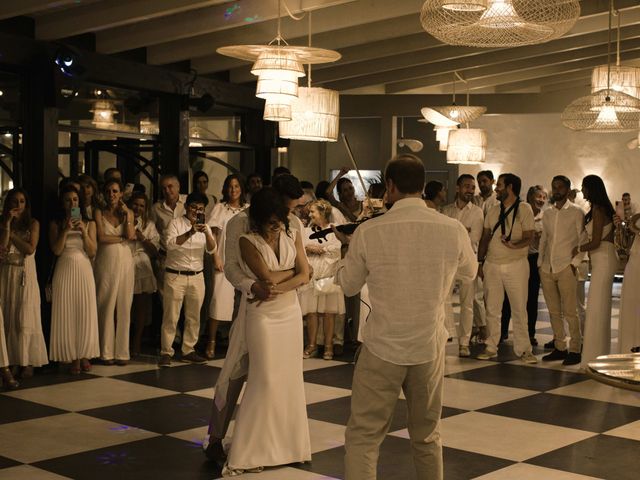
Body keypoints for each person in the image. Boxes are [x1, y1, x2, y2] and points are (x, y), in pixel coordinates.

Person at [336, 154, 476, 480]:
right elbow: (469, 274)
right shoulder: (451, 228)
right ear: (424, 187)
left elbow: (348, 284)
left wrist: (346, 256)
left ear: (390, 186)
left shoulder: (370, 230)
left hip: (382, 345)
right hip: (428, 345)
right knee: (427, 436)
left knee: (364, 436)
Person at [204, 174, 306, 465]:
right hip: (253, 307)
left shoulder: (292, 223)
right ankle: (215, 436)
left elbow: (303, 270)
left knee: (281, 377)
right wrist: (255, 286)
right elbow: (233, 270)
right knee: (234, 372)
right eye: (288, 206)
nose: (290, 214)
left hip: (284, 306)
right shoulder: (239, 223)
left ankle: (282, 441)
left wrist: (281, 282)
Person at [477, 173, 537, 364]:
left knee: (519, 308)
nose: (496, 189)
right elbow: (485, 237)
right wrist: (480, 262)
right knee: (492, 309)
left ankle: (524, 350)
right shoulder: (493, 209)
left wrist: (514, 246)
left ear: (510, 187)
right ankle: (491, 346)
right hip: (492, 264)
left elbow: (530, 236)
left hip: (516, 265)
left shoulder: (524, 208)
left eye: (500, 186)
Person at [158, 192, 216, 367]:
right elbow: (170, 245)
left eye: (200, 209)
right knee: (171, 317)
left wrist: (206, 233)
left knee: (194, 317)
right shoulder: (175, 223)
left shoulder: (206, 227)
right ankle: (166, 352)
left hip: (197, 276)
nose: (196, 211)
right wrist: (191, 232)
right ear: (186, 207)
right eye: (193, 207)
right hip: (175, 275)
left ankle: (188, 350)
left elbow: (212, 250)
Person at [49, 185, 100, 374]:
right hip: (64, 270)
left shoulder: (90, 223)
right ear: (62, 203)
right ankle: (71, 355)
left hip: (84, 269)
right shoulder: (56, 224)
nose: (72, 203)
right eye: (68, 200)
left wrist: (84, 232)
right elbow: (56, 250)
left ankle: (84, 353)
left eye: (75, 199)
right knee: (67, 311)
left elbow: (93, 251)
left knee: (84, 310)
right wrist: (65, 230)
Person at [0, 188, 48, 377]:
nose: (18, 205)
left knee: (25, 315)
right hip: (6, 272)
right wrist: (7, 227)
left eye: (21, 202)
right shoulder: (3, 223)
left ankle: (27, 360)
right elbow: (2, 250)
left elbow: (29, 248)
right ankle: (11, 360)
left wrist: (12, 234)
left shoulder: (33, 223)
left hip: (25, 274)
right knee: (9, 315)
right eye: (14, 201)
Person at [537, 176, 585, 366]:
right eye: (554, 187)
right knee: (554, 311)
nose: (556, 190)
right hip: (547, 267)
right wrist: (540, 262)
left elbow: (582, 239)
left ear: (567, 189)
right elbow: (544, 239)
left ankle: (575, 349)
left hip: (566, 266)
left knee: (571, 311)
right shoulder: (547, 213)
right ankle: (559, 347)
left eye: (560, 187)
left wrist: (575, 263)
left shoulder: (576, 212)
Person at [576, 175, 617, 369]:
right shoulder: (595, 209)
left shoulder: (599, 210)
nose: (582, 191)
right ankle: (598, 355)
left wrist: (577, 249)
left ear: (591, 189)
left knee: (597, 308)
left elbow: (596, 242)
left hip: (604, 259)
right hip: (600, 259)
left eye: (584, 187)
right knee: (597, 308)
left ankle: (595, 358)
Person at [206, 174, 248, 359]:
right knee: (218, 301)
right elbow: (213, 235)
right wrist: (215, 256)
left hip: (242, 262)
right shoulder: (219, 208)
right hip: (223, 260)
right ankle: (211, 341)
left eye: (237, 186)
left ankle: (236, 343)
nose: (233, 190)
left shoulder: (247, 209)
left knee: (239, 305)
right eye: (230, 187)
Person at [94, 180, 136, 365]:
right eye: (108, 191)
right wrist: (120, 238)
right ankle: (105, 352)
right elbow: (101, 237)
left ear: (121, 194)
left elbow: (132, 235)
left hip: (126, 261)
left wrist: (127, 215)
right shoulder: (99, 213)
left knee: (125, 305)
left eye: (115, 191)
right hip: (105, 261)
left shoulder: (129, 213)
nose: (111, 194)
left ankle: (122, 352)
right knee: (106, 303)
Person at [442, 175, 484, 357]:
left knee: (468, 304)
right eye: (466, 186)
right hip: (447, 262)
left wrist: (457, 233)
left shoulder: (477, 212)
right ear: (458, 188)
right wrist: (462, 230)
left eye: (472, 187)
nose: (470, 190)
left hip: (468, 261)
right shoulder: (446, 211)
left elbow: (473, 238)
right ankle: (447, 334)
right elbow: (442, 237)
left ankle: (464, 342)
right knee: (443, 300)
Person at [300, 199, 344, 360]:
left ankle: (328, 345)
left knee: (328, 312)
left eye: (313, 212)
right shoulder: (306, 231)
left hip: (328, 274)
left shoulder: (333, 230)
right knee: (311, 312)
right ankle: (312, 345)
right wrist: (308, 248)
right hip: (312, 274)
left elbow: (337, 249)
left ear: (322, 213)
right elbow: (301, 246)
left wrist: (321, 249)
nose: (310, 214)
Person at [129, 192, 160, 357]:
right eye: (135, 204)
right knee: (125, 305)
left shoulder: (149, 224)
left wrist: (142, 237)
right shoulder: (124, 219)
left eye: (141, 205)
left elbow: (155, 251)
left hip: (142, 265)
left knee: (141, 306)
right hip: (125, 262)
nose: (138, 208)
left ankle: (137, 341)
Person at [150, 174, 187, 295]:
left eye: (170, 186)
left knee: (188, 299)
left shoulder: (188, 202)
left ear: (178, 187)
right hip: (165, 258)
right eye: (164, 188)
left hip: (186, 258)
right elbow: (151, 232)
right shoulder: (156, 208)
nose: (167, 190)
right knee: (167, 299)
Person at [525, 185, 548, 346]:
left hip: (534, 259)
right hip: (518, 257)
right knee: (510, 297)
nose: (541, 200)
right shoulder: (522, 213)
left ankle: (530, 333)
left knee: (532, 298)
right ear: (530, 197)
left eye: (544, 197)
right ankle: (504, 330)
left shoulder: (545, 217)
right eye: (538, 196)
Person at [618, 212, 640, 352]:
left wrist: (636, 230)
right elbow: (625, 245)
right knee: (631, 301)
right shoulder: (636, 217)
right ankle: (631, 343)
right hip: (634, 261)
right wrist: (621, 228)